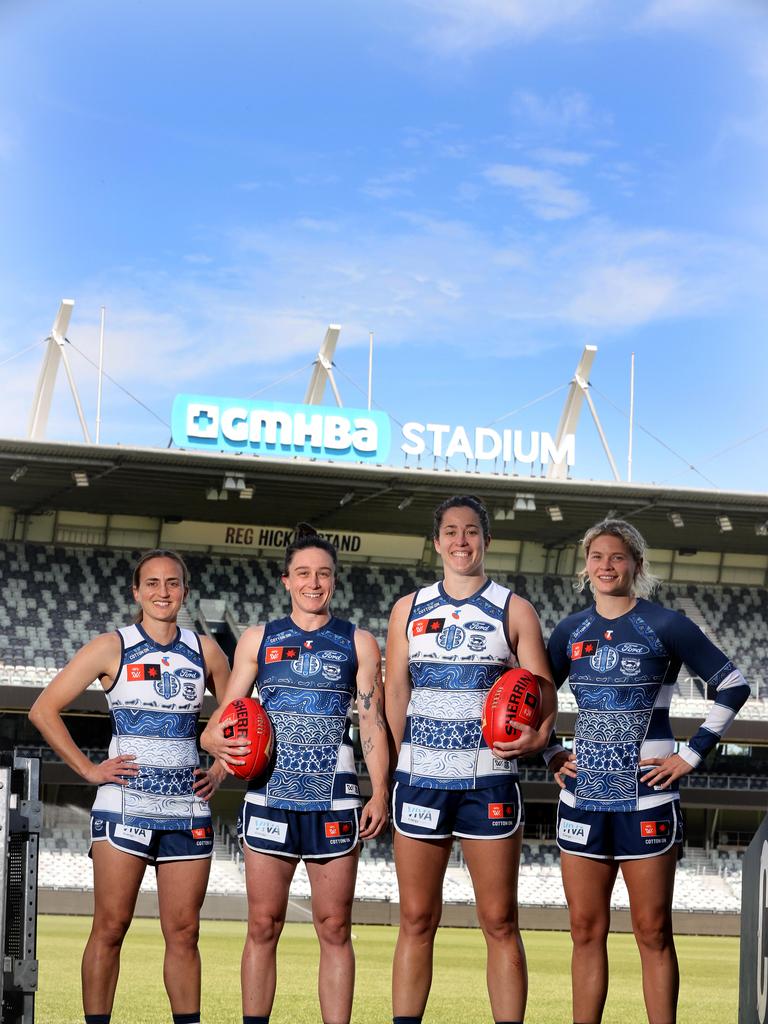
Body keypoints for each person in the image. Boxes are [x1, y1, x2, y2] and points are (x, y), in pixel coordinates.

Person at [546, 519, 751, 1024]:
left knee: (653, 930)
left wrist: (692, 753)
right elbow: (534, 700)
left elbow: (734, 685)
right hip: (582, 795)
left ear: (636, 565)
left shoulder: (666, 624)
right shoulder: (570, 630)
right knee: (585, 931)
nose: (606, 566)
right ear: (585, 566)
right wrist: (551, 753)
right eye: (597, 557)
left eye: (617, 557)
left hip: (647, 795)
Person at [28, 549, 230, 1024]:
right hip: (124, 806)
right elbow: (43, 709)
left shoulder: (206, 650)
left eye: (173, 583)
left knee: (184, 933)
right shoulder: (110, 646)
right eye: (153, 583)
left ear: (184, 589)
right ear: (136, 592)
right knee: (111, 927)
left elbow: (241, 716)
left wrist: (220, 770)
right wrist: (89, 769)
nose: (164, 592)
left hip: (187, 808)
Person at [200, 525, 389, 1024]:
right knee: (263, 924)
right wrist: (210, 744)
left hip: (335, 801)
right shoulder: (259, 639)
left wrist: (380, 792)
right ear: (286, 580)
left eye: (323, 574)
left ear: (334, 580)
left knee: (334, 927)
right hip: (269, 799)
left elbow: (371, 719)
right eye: (303, 573)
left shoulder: (359, 641)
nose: (314, 582)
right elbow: (227, 714)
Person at [385, 495, 556, 1024]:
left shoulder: (513, 608)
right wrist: (394, 769)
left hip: (489, 784)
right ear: (436, 543)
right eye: (452, 532)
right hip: (420, 782)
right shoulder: (408, 609)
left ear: (486, 540)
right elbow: (395, 692)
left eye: (472, 531)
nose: (462, 541)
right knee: (416, 918)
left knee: (500, 920)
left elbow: (543, 690)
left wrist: (537, 737)